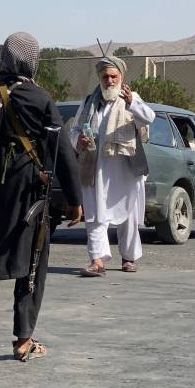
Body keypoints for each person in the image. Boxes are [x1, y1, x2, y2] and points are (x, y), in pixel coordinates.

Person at [0, 32, 83, 367]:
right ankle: (23, 341)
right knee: (32, 261)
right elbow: (63, 153)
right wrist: (74, 199)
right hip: (27, 193)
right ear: (31, 61)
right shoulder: (41, 100)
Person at [72, 56, 155, 277]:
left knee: (128, 214)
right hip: (95, 167)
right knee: (95, 214)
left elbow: (149, 117)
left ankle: (129, 257)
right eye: (105, 77)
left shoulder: (131, 97)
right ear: (100, 78)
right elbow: (75, 129)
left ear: (121, 77)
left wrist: (132, 102)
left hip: (126, 168)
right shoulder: (89, 102)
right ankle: (97, 261)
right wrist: (78, 140)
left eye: (113, 76)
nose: (109, 81)